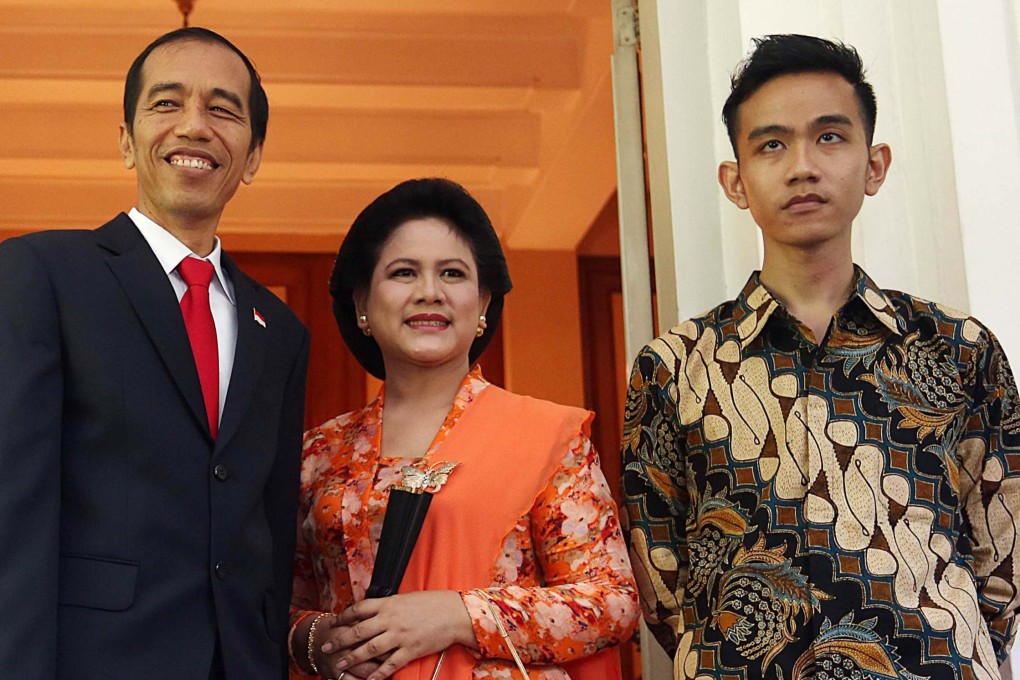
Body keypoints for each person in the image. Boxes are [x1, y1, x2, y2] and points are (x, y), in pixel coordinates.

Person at [622, 34, 1020, 680]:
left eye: (830, 137)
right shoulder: (674, 367)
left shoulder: (957, 350)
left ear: (875, 165)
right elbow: (662, 578)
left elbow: (1003, 560)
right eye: (771, 144)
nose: (802, 165)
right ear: (736, 180)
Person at [0, 27, 310, 679]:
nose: (194, 126)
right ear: (125, 139)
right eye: (167, 104)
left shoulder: (279, 330)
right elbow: (13, 512)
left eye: (223, 109)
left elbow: (271, 534)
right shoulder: (42, 274)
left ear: (252, 155)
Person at [287, 177, 639, 680]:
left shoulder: (546, 437)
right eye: (404, 272)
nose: (429, 292)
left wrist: (457, 615)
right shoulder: (319, 453)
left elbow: (612, 602)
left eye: (452, 273)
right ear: (362, 303)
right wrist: (319, 640)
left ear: (483, 303)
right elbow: (281, 607)